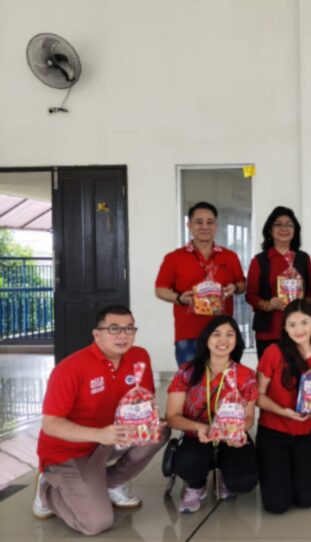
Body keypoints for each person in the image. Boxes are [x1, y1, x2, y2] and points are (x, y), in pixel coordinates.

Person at [33, 305, 169, 535]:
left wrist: (149, 417)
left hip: (110, 440)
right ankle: (47, 490)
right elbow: (51, 424)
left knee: (158, 433)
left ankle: (110, 484)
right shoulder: (70, 369)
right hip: (68, 453)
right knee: (96, 523)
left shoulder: (139, 357)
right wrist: (98, 434)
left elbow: (141, 401)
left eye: (129, 328)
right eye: (114, 329)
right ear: (97, 334)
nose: (123, 335)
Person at [165, 316, 258, 513]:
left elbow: (249, 417)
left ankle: (226, 474)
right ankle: (196, 486)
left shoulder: (246, 375)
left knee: (244, 482)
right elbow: (172, 416)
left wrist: (240, 431)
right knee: (189, 464)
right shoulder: (186, 372)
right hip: (196, 435)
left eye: (229, 334)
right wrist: (200, 427)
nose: (223, 340)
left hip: (231, 437)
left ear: (237, 340)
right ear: (206, 339)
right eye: (216, 334)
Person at [256, 299, 311, 513]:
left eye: (304, 322)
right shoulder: (273, 352)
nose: (299, 329)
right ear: (284, 327)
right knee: (277, 504)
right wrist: (283, 411)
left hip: (306, 433)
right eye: (292, 324)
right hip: (273, 433)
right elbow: (258, 396)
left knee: (308, 499)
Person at [155, 201, 246, 365]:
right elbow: (160, 289)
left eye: (210, 222)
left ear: (216, 226)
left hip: (223, 333)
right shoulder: (174, 258)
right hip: (189, 333)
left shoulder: (229, 256)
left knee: (225, 384)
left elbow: (242, 285)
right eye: (199, 222)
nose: (205, 226)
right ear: (189, 225)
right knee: (191, 384)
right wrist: (179, 298)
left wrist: (235, 288)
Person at [246, 206, 311, 359]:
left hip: (300, 331)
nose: (283, 228)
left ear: (295, 230)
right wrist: (267, 304)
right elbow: (251, 295)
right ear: (270, 230)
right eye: (278, 224)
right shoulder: (260, 260)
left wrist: (304, 303)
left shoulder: (303, 259)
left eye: (288, 224)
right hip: (269, 330)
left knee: (300, 374)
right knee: (269, 376)